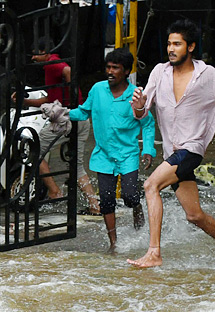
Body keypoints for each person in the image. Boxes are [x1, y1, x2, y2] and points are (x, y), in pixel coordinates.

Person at [127, 19, 215, 268]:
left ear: (191, 47)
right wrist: (139, 104)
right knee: (194, 215)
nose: (171, 49)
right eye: (169, 44)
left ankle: (154, 252)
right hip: (171, 153)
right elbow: (142, 112)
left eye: (177, 44)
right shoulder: (159, 72)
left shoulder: (207, 75)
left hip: (191, 149)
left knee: (150, 185)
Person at [64, 47, 156, 251]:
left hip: (127, 154)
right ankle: (113, 243)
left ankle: (137, 207)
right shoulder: (97, 90)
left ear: (126, 72)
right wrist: (61, 114)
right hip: (103, 155)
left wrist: (148, 150)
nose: (110, 71)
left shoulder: (136, 96)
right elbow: (83, 111)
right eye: (108, 67)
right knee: (106, 201)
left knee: (130, 195)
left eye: (116, 68)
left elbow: (147, 124)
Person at [27, 42, 99, 212]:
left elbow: (67, 71)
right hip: (80, 118)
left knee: (34, 151)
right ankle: (95, 205)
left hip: (65, 117)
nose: (33, 58)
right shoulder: (53, 64)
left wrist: (71, 95)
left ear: (45, 52)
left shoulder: (52, 64)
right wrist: (25, 101)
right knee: (77, 165)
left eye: (36, 54)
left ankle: (54, 191)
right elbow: (48, 98)